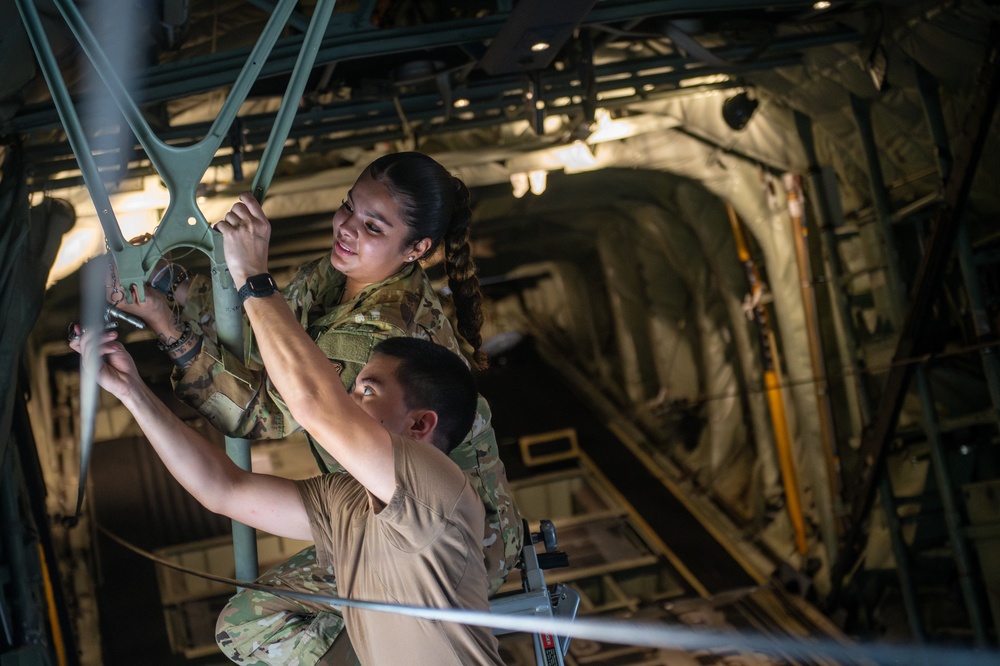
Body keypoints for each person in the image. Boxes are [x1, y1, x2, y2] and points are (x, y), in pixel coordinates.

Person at [111, 152, 521, 662]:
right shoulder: (337, 278)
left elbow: (260, 411)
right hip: (370, 503)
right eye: (348, 207)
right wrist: (168, 289)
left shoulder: (381, 332)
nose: (346, 228)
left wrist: (224, 293)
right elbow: (261, 341)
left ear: (416, 249)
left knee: (251, 627)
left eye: (372, 226)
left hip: (451, 538)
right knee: (250, 619)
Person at [72, 327, 505, 666]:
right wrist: (131, 391)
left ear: (419, 426)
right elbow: (224, 489)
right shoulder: (347, 499)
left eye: (368, 391)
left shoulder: (438, 487)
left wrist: (252, 279)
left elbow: (316, 407)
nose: (350, 401)